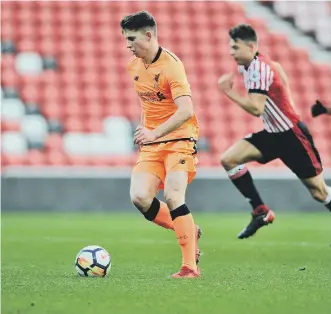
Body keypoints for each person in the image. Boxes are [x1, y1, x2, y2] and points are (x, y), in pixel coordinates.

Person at [217, 24, 331, 239]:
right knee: (229, 159)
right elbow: (277, 67)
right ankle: (261, 212)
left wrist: (228, 91)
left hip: (292, 136)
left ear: (250, 47)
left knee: (320, 192)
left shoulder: (259, 69)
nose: (231, 52)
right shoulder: (252, 63)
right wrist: (288, 100)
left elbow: (256, 108)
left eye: (235, 47)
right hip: (273, 134)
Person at [121, 11, 201, 278]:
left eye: (132, 39)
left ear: (148, 35)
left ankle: (189, 267)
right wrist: (146, 133)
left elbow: (186, 110)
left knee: (174, 196)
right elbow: (148, 103)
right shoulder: (134, 65)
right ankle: (190, 229)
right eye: (125, 40)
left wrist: (154, 133)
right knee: (140, 197)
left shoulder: (172, 66)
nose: (128, 45)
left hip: (179, 138)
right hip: (153, 143)